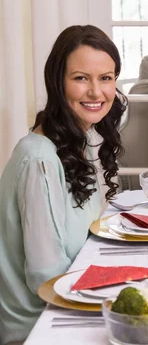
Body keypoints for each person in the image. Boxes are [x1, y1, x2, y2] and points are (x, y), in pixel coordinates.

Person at [0, 25, 127, 344]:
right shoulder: (39, 158)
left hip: (72, 304)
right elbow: (46, 276)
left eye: (106, 78)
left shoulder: (74, 144)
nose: (97, 92)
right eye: (81, 78)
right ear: (57, 82)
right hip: (42, 327)